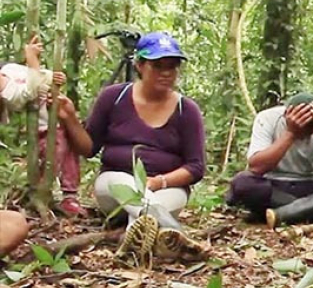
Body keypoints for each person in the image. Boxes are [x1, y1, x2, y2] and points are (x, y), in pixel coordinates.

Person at [57, 32, 205, 241]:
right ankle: (175, 232)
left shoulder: (186, 110)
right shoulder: (113, 97)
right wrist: (69, 117)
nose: (166, 73)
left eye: (171, 66)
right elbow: (89, 148)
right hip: (114, 185)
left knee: (151, 209)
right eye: (158, 66)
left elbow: (195, 167)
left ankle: (134, 239)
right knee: (125, 182)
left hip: (166, 188)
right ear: (139, 65)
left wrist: (158, 182)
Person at [226, 93, 313, 228]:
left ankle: (285, 214)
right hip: (274, 187)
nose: (304, 130)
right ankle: (312, 210)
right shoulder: (268, 118)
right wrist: (290, 133)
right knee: (243, 182)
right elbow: (256, 167)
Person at [0, 35, 84, 216]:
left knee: (70, 158)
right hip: (43, 128)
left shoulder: (9, 69)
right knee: (52, 159)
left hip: (59, 116)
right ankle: (42, 194)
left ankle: (70, 197)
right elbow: (31, 90)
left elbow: (39, 75)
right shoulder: (8, 95)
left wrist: (54, 77)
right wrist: (32, 58)